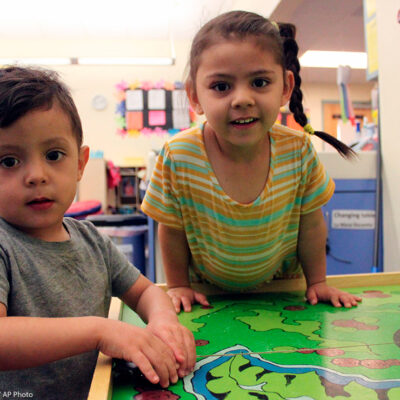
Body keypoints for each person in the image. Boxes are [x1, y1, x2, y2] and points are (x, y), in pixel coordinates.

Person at [141, 11, 362, 313]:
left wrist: (317, 282)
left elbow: (310, 223)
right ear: (194, 95)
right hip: (207, 297)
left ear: (285, 87)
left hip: (283, 293)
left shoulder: (297, 151)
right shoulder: (178, 156)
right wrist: (178, 285)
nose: (242, 99)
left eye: (259, 82)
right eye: (221, 86)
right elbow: (171, 229)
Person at [0, 66, 196, 400]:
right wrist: (100, 331)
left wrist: (163, 321)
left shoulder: (91, 241)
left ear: (80, 163)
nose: (36, 175)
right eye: (8, 161)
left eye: (53, 155)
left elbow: (146, 291)